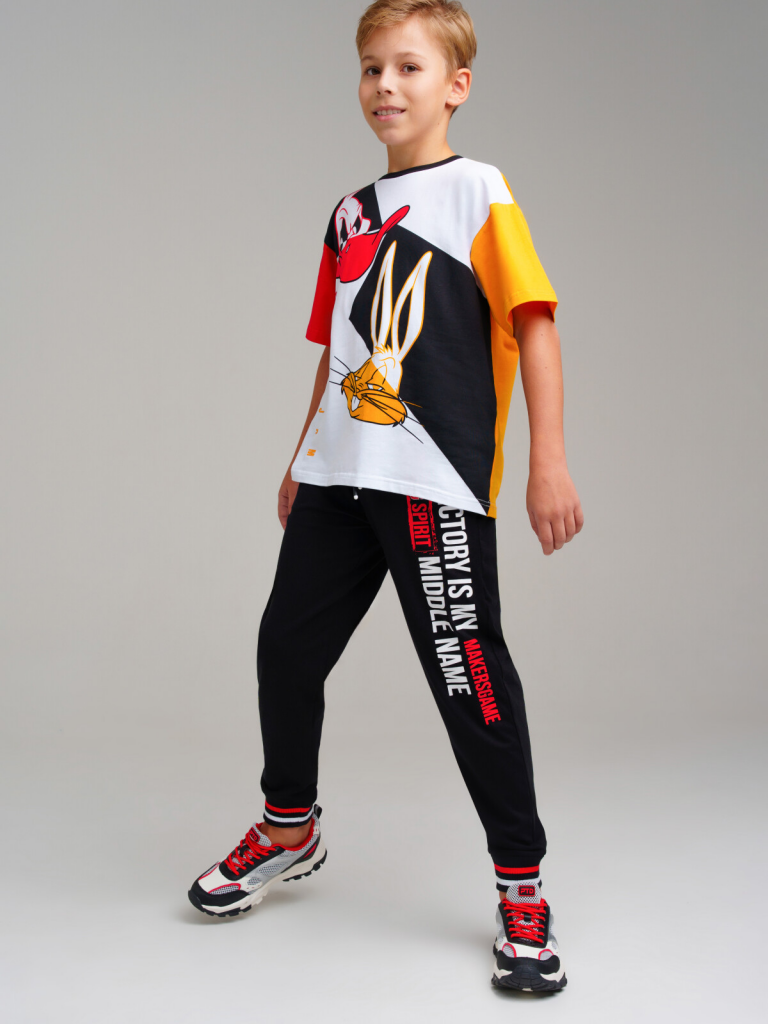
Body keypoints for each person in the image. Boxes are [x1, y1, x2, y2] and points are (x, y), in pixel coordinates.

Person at [188, 0, 582, 993]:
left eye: (408, 67)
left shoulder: (479, 191)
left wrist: (548, 460)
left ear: (456, 86)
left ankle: (522, 887)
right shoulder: (349, 214)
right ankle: (289, 827)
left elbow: (534, 324)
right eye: (371, 67)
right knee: (285, 650)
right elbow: (340, 348)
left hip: (431, 483)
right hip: (339, 476)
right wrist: (301, 454)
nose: (385, 86)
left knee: (470, 683)